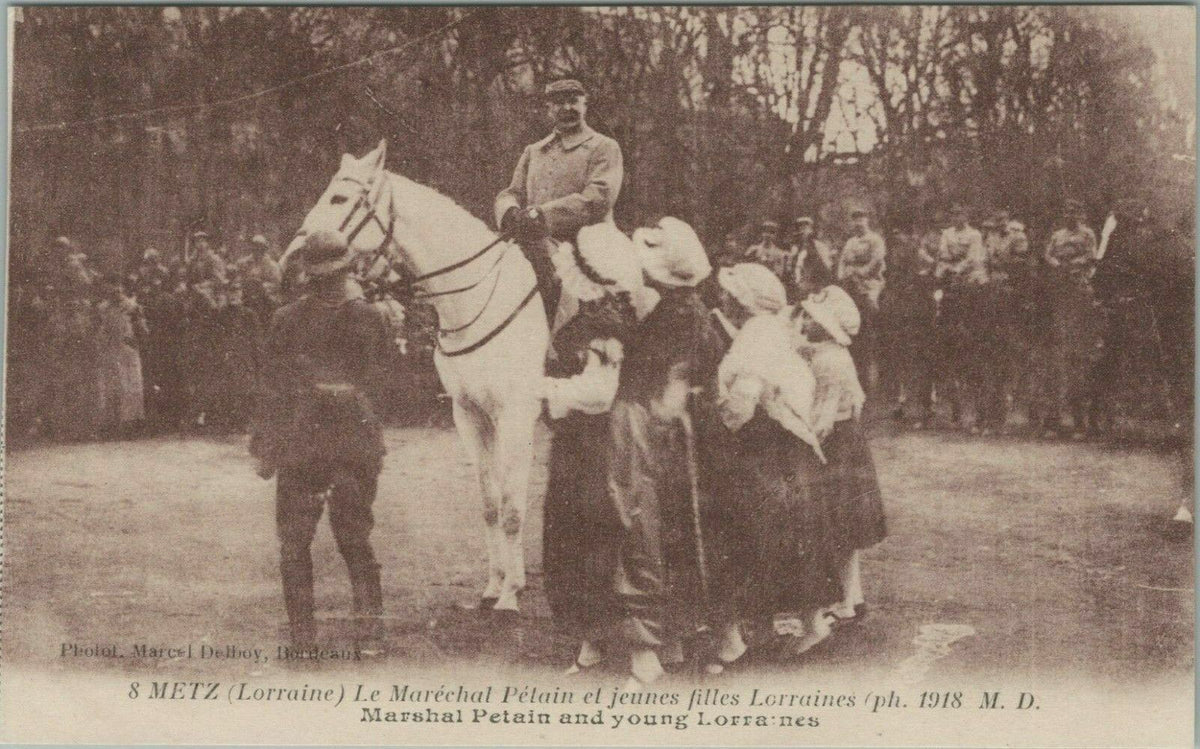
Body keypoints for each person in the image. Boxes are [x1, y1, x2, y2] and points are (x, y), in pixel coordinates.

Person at [249, 230, 391, 652]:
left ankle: (305, 638)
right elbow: (383, 385)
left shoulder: (288, 318)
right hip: (350, 443)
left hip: (304, 443)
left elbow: (271, 391)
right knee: (352, 539)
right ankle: (368, 636)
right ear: (347, 269)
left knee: (298, 543)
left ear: (307, 274)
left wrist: (264, 447)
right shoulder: (370, 316)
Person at [606, 217, 726, 689]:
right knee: (676, 530)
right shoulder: (692, 310)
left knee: (640, 524)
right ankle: (675, 635)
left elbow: (660, 384)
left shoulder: (672, 317)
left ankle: (647, 648)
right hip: (680, 430)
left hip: (650, 425)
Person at [710, 262, 837, 666]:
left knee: (755, 531)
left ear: (743, 300)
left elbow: (744, 400)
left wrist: (717, 428)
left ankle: (784, 628)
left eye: (730, 294)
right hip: (785, 445)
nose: (725, 299)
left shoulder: (756, 335)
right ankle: (793, 622)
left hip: (768, 446)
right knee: (791, 531)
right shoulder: (770, 331)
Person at [538, 222, 649, 675]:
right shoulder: (591, 315)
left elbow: (600, 394)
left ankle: (607, 636)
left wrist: (540, 388)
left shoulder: (607, 325)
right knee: (572, 532)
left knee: (596, 533)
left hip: (598, 442)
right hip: (576, 441)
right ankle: (591, 637)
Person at [495, 78, 624, 323]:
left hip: (586, 247)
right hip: (536, 242)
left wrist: (542, 215)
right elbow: (512, 192)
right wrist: (510, 211)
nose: (567, 108)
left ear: (585, 104)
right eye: (558, 103)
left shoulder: (603, 147)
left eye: (573, 101)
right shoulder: (534, 151)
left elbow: (597, 198)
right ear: (548, 109)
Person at [794, 284, 886, 626]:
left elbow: (824, 416)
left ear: (826, 326)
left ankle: (846, 603)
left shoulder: (829, 360)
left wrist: (805, 441)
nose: (804, 320)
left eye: (811, 317)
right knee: (844, 527)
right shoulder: (827, 353)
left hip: (836, 444)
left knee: (840, 528)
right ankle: (853, 597)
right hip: (846, 441)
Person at [1037, 199, 1102, 438]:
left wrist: (1072, 265)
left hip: (1078, 288)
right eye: (1067, 211)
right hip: (1058, 291)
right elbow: (1047, 254)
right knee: (1055, 357)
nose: (1070, 215)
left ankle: (1081, 422)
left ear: (1081, 214)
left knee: (1078, 358)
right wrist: (1056, 263)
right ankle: (1053, 421)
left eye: (1075, 211)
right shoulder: (1057, 235)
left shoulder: (1087, 234)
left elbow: (1092, 257)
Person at [934, 204, 987, 428]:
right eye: (954, 214)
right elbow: (943, 255)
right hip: (950, 277)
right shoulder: (946, 234)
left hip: (971, 277)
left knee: (982, 296)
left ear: (967, 215)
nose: (957, 217)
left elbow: (973, 259)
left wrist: (957, 268)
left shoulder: (974, 235)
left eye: (961, 213)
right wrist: (948, 269)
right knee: (936, 299)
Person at [838, 208, 886, 387]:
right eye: (855, 219)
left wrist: (861, 273)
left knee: (871, 304)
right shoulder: (850, 242)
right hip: (851, 282)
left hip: (870, 282)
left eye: (861, 219)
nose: (858, 223)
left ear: (867, 220)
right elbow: (842, 262)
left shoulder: (875, 240)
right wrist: (842, 276)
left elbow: (877, 260)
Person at [788, 216, 836, 301]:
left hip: (816, 285)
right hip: (799, 286)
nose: (803, 231)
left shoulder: (819, 246)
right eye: (800, 228)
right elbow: (790, 268)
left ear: (811, 230)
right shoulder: (795, 248)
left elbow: (827, 267)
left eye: (805, 228)